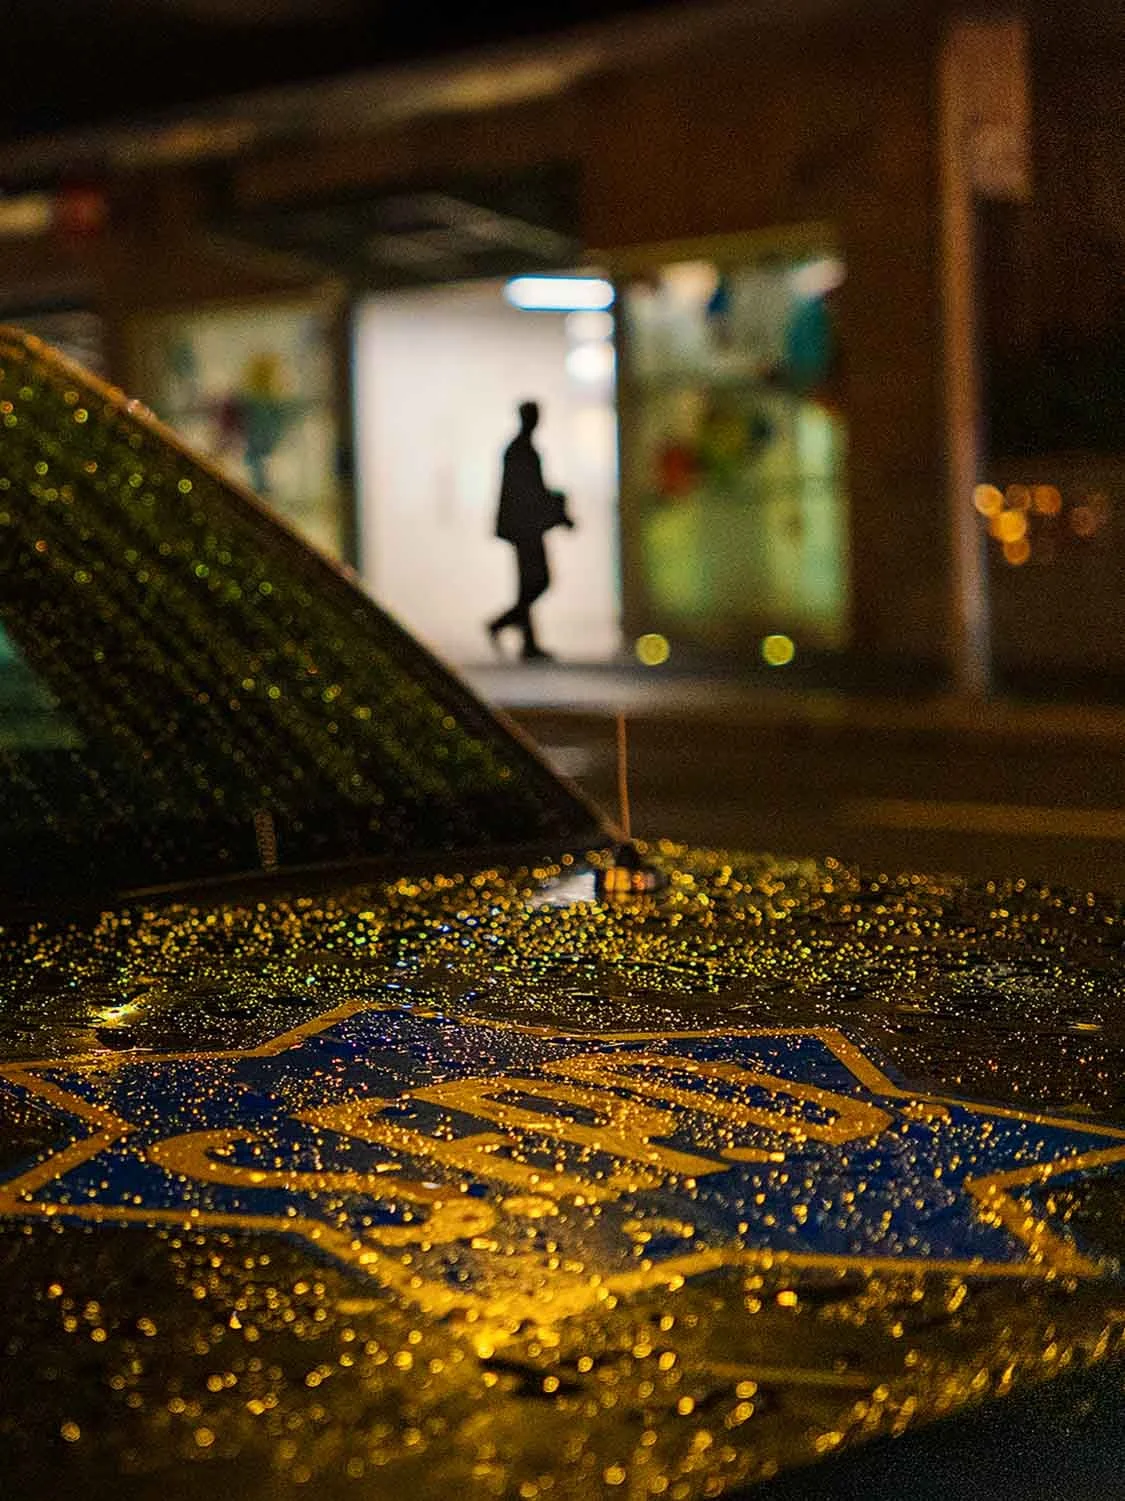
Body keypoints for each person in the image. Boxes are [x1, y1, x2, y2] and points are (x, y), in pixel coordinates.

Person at [487, 400, 573, 660]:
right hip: (525, 528)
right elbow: (527, 493)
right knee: (536, 581)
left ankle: (526, 640)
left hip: (525, 526)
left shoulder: (522, 450)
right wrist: (556, 511)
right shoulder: (520, 451)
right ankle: (505, 626)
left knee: (530, 584)